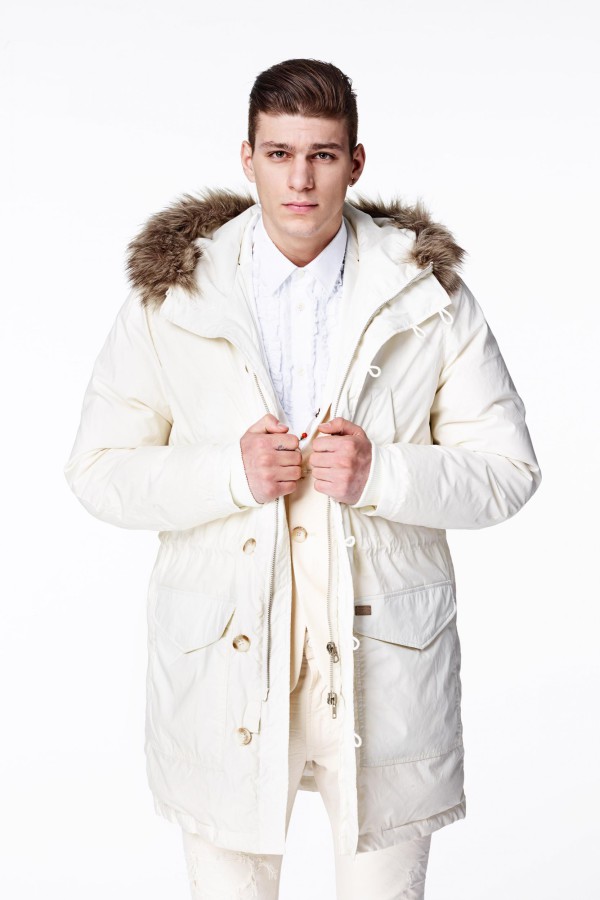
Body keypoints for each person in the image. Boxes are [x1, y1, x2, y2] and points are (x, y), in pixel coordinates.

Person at [64, 58, 542, 899]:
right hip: (225, 658)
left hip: (383, 661)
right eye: (280, 154)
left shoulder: (426, 293)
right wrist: (228, 474)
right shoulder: (173, 295)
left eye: (321, 155)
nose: (300, 179)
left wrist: (382, 471)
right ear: (246, 158)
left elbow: (508, 472)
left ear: (355, 163)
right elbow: (98, 470)